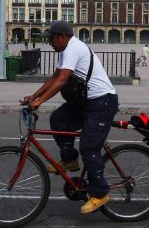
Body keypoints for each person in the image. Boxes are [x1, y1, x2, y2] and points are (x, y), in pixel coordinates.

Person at [21, 21, 118, 215]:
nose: (49, 42)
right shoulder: (65, 51)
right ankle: (70, 160)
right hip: (86, 102)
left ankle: (100, 193)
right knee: (58, 119)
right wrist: (34, 97)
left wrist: (40, 103)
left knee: (89, 147)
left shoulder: (73, 48)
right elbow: (54, 78)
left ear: (62, 37)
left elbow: (62, 80)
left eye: (51, 38)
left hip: (102, 102)